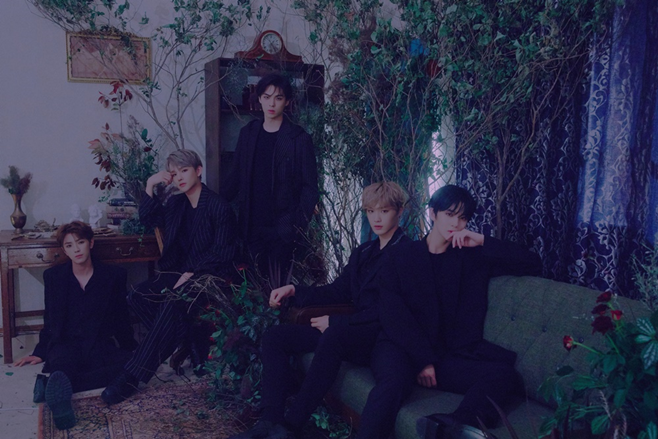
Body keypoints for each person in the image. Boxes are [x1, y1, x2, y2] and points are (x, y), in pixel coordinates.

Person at [356, 185, 542, 439]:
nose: (456, 223)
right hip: (400, 347)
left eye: (462, 217)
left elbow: (532, 263)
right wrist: (423, 360)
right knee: (393, 383)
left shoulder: (471, 257)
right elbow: (392, 313)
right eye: (449, 214)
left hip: (446, 355)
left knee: (503, 374)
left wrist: (482, 240)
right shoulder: (401, 255)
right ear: (433, 213)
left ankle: (455, 425)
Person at [229, 182, 411, 439]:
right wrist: (294, 289)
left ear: (399, 211)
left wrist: (336, 322)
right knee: (276, 337)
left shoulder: (407, 253)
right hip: (352, 330)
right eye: (371, 211)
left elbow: (392, 312)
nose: (376, 218)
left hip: (379, 336)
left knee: (333, 335)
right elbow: (338, 291)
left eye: (384, 211)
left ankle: (290, 427)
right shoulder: (364, 252)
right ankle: (269, 422)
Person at [101, 149, 238, 405]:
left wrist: (192, 273)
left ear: (198, 171)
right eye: (174, 174)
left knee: (174, 301)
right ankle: (189, 340)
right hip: (179, 273)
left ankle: (132, 376)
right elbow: (148, 219)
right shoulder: (176, 204)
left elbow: (222, 253)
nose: (179, 178)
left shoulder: (218, 206)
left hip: (209, 276)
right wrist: (150, 185)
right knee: (137, 295)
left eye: (184, 171)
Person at [14, 221, 137, 430]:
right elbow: (50, 319)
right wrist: (40, 352)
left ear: (91, 243)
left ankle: (50, 385)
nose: (76, 249)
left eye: (80, 242)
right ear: (64, 250)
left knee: (131, 369)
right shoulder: (54, 277)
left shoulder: (113, 275)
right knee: (63, 363)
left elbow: (121, 317)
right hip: (66, 343)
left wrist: (130, 347)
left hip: (98, 343)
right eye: (69, 245)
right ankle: (61, 401)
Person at [220, 73, 319, 288]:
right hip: (250, 227)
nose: (272, 104)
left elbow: (310, 188)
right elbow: (235, 177)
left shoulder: (299, 138)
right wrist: (210, 201)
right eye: (267, 97)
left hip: (283, 230)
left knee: (278, 292)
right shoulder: (248, 133)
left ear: (287, 101)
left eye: (278, 98)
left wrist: (296, 225)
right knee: (252, 290)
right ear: (260, 99)